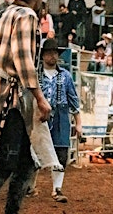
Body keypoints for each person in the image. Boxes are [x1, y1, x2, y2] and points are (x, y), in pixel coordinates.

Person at [0, 0, 53, 213]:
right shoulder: (27, 17)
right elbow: (23, 59)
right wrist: (39, 97)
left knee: (26, 164)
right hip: (9, 99)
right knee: (4, 164)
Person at [26, 39, 82, 203]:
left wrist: (78, 123)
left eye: (55, 53)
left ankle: (57, 188)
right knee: (33, 152)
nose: (53, 56)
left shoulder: (65, 76)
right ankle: (30, 186)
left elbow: (74, 101)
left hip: (60, 118)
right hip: (38, 117)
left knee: (61, 153)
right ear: (43, 55)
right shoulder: (35, 75)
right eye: (49, 52)